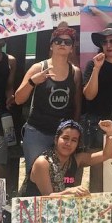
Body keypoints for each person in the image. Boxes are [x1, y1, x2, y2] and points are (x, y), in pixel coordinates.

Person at [15, 24, 82, 172]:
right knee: (34, 174)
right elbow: (18, 99)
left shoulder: (75, 72)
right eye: (58, 41)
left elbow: (77, 105)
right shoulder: (38, 68)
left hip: (62, 135)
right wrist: (33, 81)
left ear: (72, 48)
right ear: (51, 45)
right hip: (37, 131)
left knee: (59, 176)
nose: (62, 44)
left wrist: (74, 132)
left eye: (67, 42)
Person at [22, 119, 112, 197]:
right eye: (65, 138)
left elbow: (107, 154)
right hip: (34, 213)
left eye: (74, 140)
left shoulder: (77, 160)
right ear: (56, 139)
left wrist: (110, 133)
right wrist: (69, 192)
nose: (68, 143)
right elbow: (48, 197)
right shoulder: (42, 163)